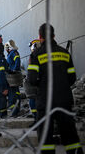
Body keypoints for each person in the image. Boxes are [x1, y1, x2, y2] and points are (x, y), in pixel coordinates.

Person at [28, 23, 83, 154]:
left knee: (45, 138)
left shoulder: (36, 55)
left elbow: (32, 80)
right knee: (70, 135)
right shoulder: (64, 53)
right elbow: (72, 78)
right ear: (54, 36)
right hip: (64, 100)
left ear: (40, 37)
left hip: (45, 101)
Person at [5, 39, 21, 117]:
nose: (6, 49)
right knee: (14, 92)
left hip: (13, 76)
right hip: (11, 75)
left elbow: (17, 61)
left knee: (13, 93)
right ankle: (14, 110)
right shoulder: (10, 54)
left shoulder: (13, 53)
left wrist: (15, 70)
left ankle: (14, 111)